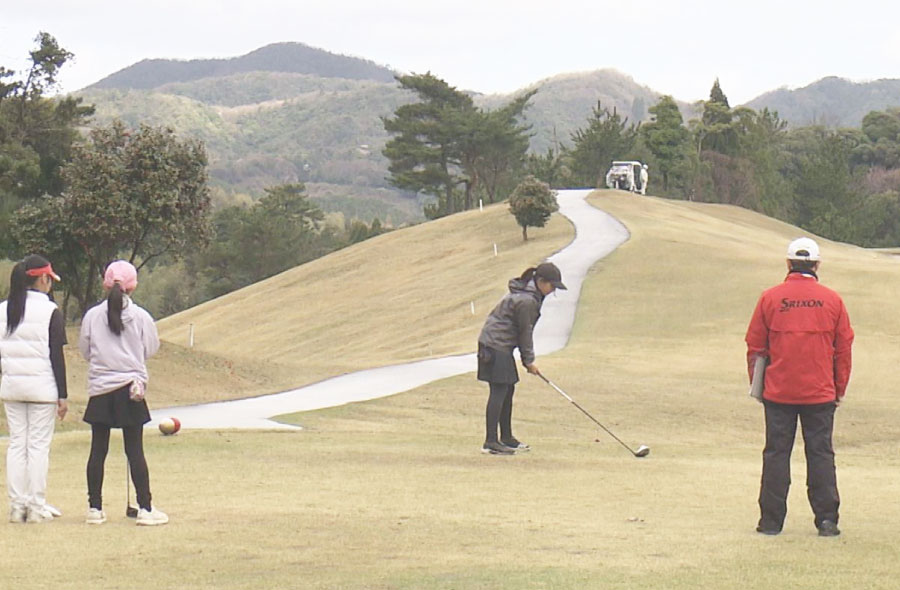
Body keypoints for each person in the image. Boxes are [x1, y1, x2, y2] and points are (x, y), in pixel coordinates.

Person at [745, 237, 854, 537]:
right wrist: (839, 388)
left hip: (778, 392)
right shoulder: (832, 300)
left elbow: (755, 347)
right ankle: (827, 520)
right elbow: (843, 348)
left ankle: (770, 522)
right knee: (820, 454)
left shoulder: (770, 298)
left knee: (776, 454)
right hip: (820, 393)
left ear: (788, 263)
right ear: (817, 265)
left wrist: (757, 387)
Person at [79, 260, 168, 526]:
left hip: (101, 388)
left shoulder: (93, 316)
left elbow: (85, 351)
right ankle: (145, 507)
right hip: (131, 387)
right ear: (133, 286)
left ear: (106, 283)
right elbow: (150, 348)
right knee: (134, 450)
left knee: (98, 450)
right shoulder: (140, 316)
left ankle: (95, 508)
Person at [0, 254, 68, 524]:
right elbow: (56, 357)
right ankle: (36, 504)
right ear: (42, 278)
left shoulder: (3, 309)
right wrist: (62, 395)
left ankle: (18, 505)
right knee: (38, 447)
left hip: (12, 386)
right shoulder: (50, 312)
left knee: (17, 445)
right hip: (42, 388)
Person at [477, 262, 566, 454]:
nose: (552, 291)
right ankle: (491, 441)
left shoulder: (530, 296)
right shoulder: (527, 301)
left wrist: (527, 360)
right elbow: (525, 332)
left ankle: (507, 438)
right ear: (541, 282)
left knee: (508, 389)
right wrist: (529, 361)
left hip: (499, 346)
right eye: (552, 286)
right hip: (495, 345)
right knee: (499, 390)